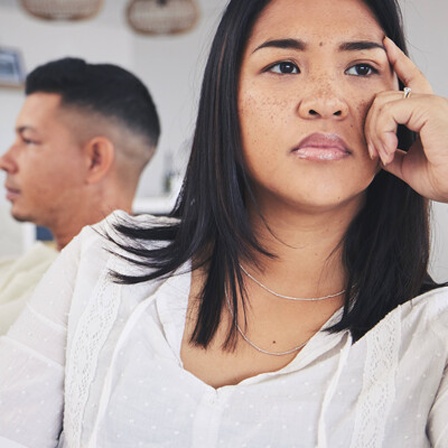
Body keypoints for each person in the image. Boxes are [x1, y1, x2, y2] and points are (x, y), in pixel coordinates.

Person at [1, 0, 448, 446]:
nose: (326, 102)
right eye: (285, 66)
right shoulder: (101, 266)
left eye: (360, 69)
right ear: (226, 97)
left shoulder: (433, 336)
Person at [0, 57, 160, 334]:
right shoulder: (31, 266)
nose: (5, 161)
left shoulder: (122, 302)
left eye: (28, 140)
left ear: (95, 160)